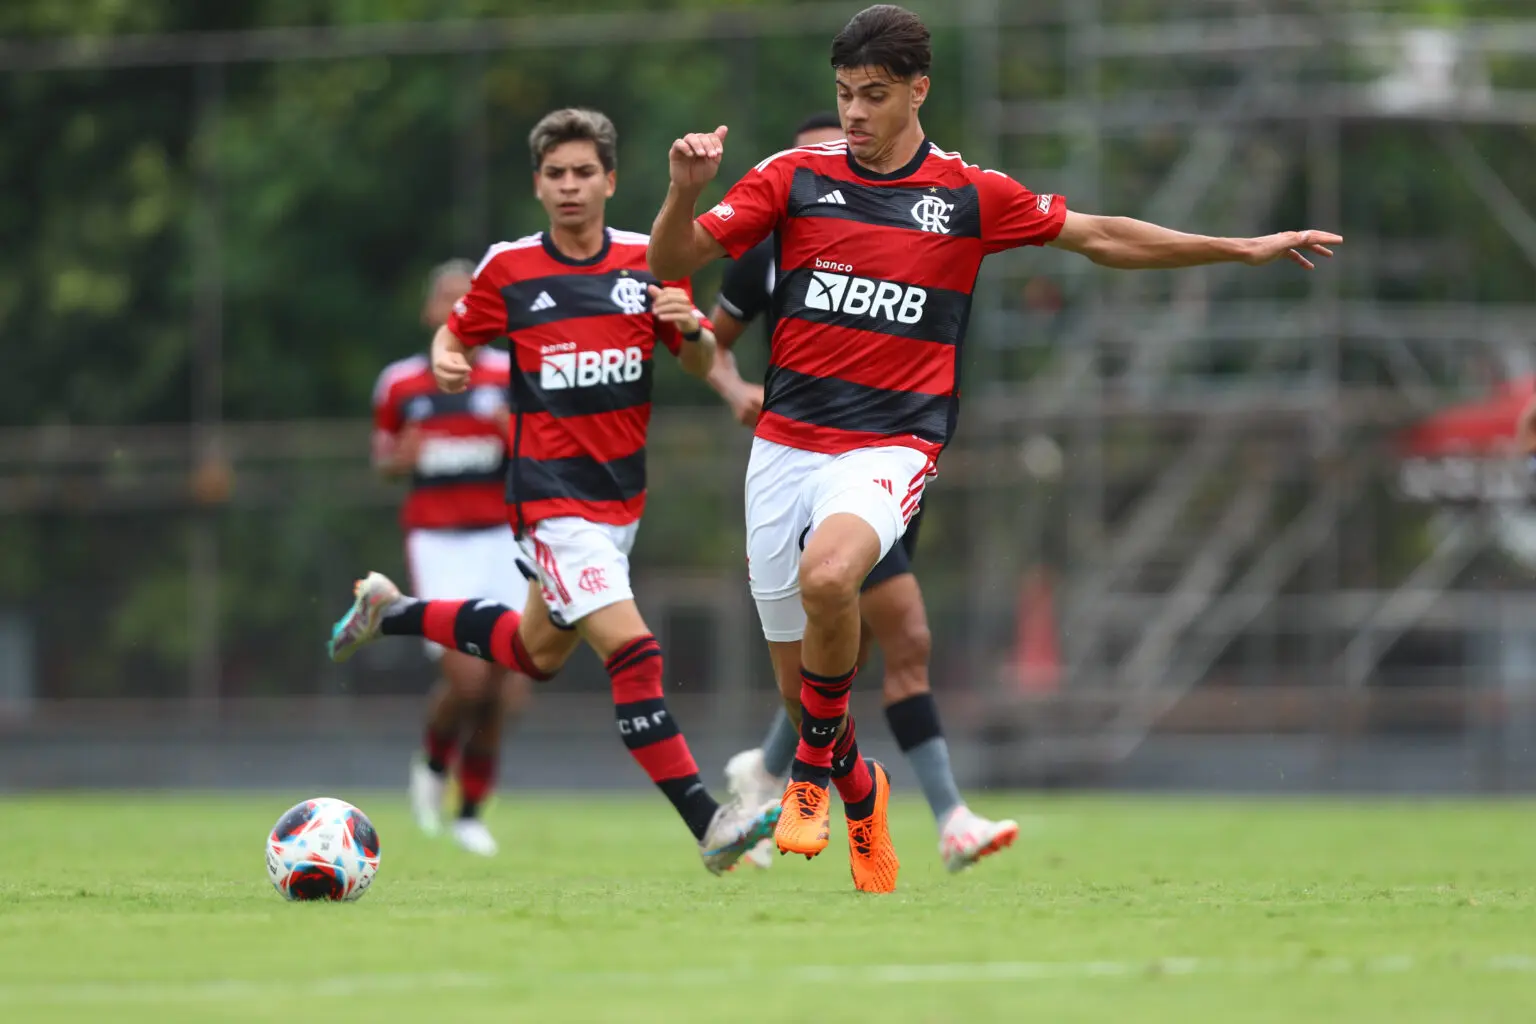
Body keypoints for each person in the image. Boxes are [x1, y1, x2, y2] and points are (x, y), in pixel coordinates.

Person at [647, 3, 1341, 893]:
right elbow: (677, 260)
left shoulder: (970, 197)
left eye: (873, 95)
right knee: (801, 685)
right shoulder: (794, 178)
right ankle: (862, 795)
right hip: (785, 446)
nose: (854, 113)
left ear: (918, 90)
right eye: (844, 95)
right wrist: (681, 187)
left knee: (833, 581)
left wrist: (1236, 248)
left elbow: (1100, 236)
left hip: (892, 444)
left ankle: (810, 783)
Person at [330, 107, 779, 874]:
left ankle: (394, 611)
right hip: (546, 501)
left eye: (584, 173)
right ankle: (709, 823)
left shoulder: (649, 259)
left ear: (610, 180)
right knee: (634, 654)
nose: (570, 187)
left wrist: (723, 373)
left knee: (534, 655)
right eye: (555, 175)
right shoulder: (509, 267)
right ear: (538, 184)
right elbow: (455, 333)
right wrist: (446, 356)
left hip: (618, 507)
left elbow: (695, 349)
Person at [709, 114, 1020, 874]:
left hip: (882, 456)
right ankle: (852, 787)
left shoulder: (921, 216)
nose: (832, 173)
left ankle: (884, 800)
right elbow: (705, 342)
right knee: (831, 650)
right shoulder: (767, 251)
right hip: (797, 458)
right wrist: (732, 387)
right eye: (815, 159)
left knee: (887, 625)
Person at [371, 260, 530, 857]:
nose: (457, 306)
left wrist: (513, 433)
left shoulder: (510, 375)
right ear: (429, 311)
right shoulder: (401, 384)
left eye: (470, 297)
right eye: (446, 297)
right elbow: (384, 458)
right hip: (440, 543)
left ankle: (469, 812)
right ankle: (434, 762)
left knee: (507, 689)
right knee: (467, 678)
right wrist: (400, 458)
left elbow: (541, 452)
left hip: (503, 541)